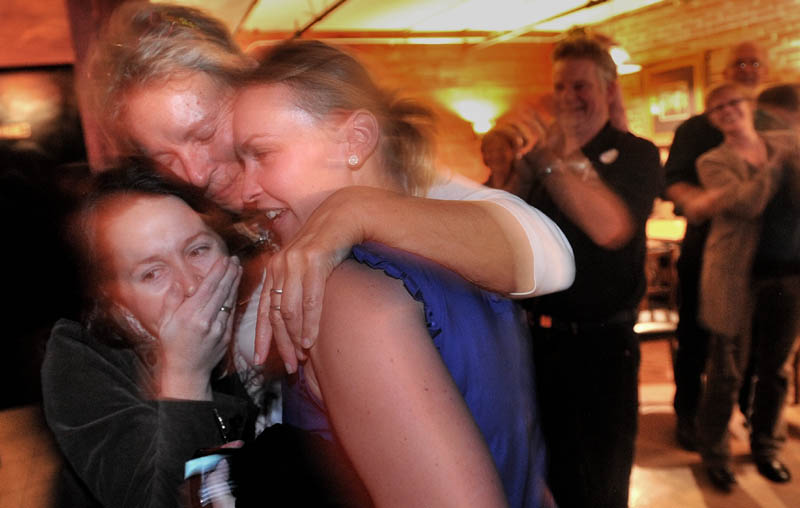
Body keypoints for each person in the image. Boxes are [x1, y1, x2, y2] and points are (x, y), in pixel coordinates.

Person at [83, 1, 575, 373]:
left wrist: (358, 211)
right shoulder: (197, 222)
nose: (193, 172)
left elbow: (551, 258)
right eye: (164, 156)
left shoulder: (355, 175)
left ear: (251, 83)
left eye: (204, 131)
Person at [233, 39, 547, 507]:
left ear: (355, 142)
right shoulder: (458, 246)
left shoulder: (343, 294)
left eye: (263, 154)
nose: (244, 189)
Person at [41, 161, 374, 508]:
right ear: (118, 306)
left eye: (198, 250)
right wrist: (186, 377)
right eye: (152, 273)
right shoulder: (80, 362)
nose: (190, 284)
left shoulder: (267, 302)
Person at [517, 34, 663, 508]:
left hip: (600, 349)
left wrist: (555, 161)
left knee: (599, 486)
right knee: (550, 477)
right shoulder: (544, 161)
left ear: (608, 90)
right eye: (560, 86)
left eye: (580, 86)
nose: (568, 98)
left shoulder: (636, 153)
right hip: (540, 342)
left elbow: (609, 227)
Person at [694, 82, 800, 491]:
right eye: (717, 107)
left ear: (750, 105)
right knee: (726, 372)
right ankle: (715, 453)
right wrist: (775, 165)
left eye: (733, 102)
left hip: (789, 275)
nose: (727, 110)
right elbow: (748, 203)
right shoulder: (712, 162)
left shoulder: (787, 142)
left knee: (777, 370)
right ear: (711, 118)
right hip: (734, 279)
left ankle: (767, 448)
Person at [664, 41, 769, 450]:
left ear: (764, 71)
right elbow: (673, 181)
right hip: (708, 250)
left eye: (754, 63)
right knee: (696, 336)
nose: (747, 69)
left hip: (763, 256)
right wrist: (696, 201)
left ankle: (748, 414)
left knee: (756, 343)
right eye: (738, 62)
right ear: (726, 72)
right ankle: (688, 414)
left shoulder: (771, 125)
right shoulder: (695, 129)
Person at [480, 125, 532, 197]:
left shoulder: (531, 188)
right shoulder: (480, 192)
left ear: (513, 151)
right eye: (490, 150)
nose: (496, 155)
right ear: (484, 155)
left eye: (501, 149)